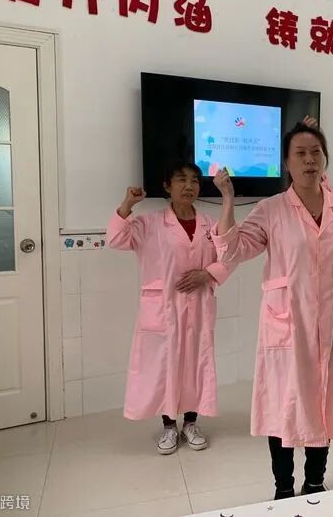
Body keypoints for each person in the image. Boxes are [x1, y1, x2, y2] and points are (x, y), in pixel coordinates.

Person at [211, 122, 333, 500]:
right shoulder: (272, 209)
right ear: (286, 162)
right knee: (282, 408)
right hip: (287, 327)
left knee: (323, 404)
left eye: (316, 152)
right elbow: (232, 250)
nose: (309, 160)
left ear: (325, 158)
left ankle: (315, 481)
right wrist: (228, 200)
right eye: (300, 153)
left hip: (332, 325)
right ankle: (283, 488)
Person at [106, 160, 234, 456]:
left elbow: (229, 255)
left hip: (198, 306)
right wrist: (127, 205)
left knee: (195, 364)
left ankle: (191, 423)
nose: (189, 186)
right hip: (163, 309)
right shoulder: (149, 223)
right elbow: (115, 238)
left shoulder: (209, 225)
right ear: (167, 186)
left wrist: (207, 274)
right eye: (181, 180)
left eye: (194, 181)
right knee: (165, 366)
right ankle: (168, 426)